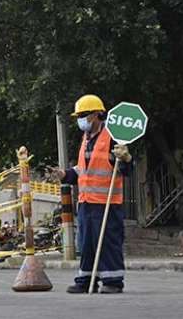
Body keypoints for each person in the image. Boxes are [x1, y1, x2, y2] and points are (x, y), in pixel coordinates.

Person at [52, 94, 133, 294]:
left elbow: (124, 169)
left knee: (108, 242)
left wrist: (126, 159)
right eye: (79, 115)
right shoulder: (86, 138)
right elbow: (83, 169)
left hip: (107, 203)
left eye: (84, 115)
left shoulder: (111, 136)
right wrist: (65, 175)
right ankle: (86, 280)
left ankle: (113, 280)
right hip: (87, 202)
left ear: (97, 115)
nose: (80, 119)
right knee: (86, 243)